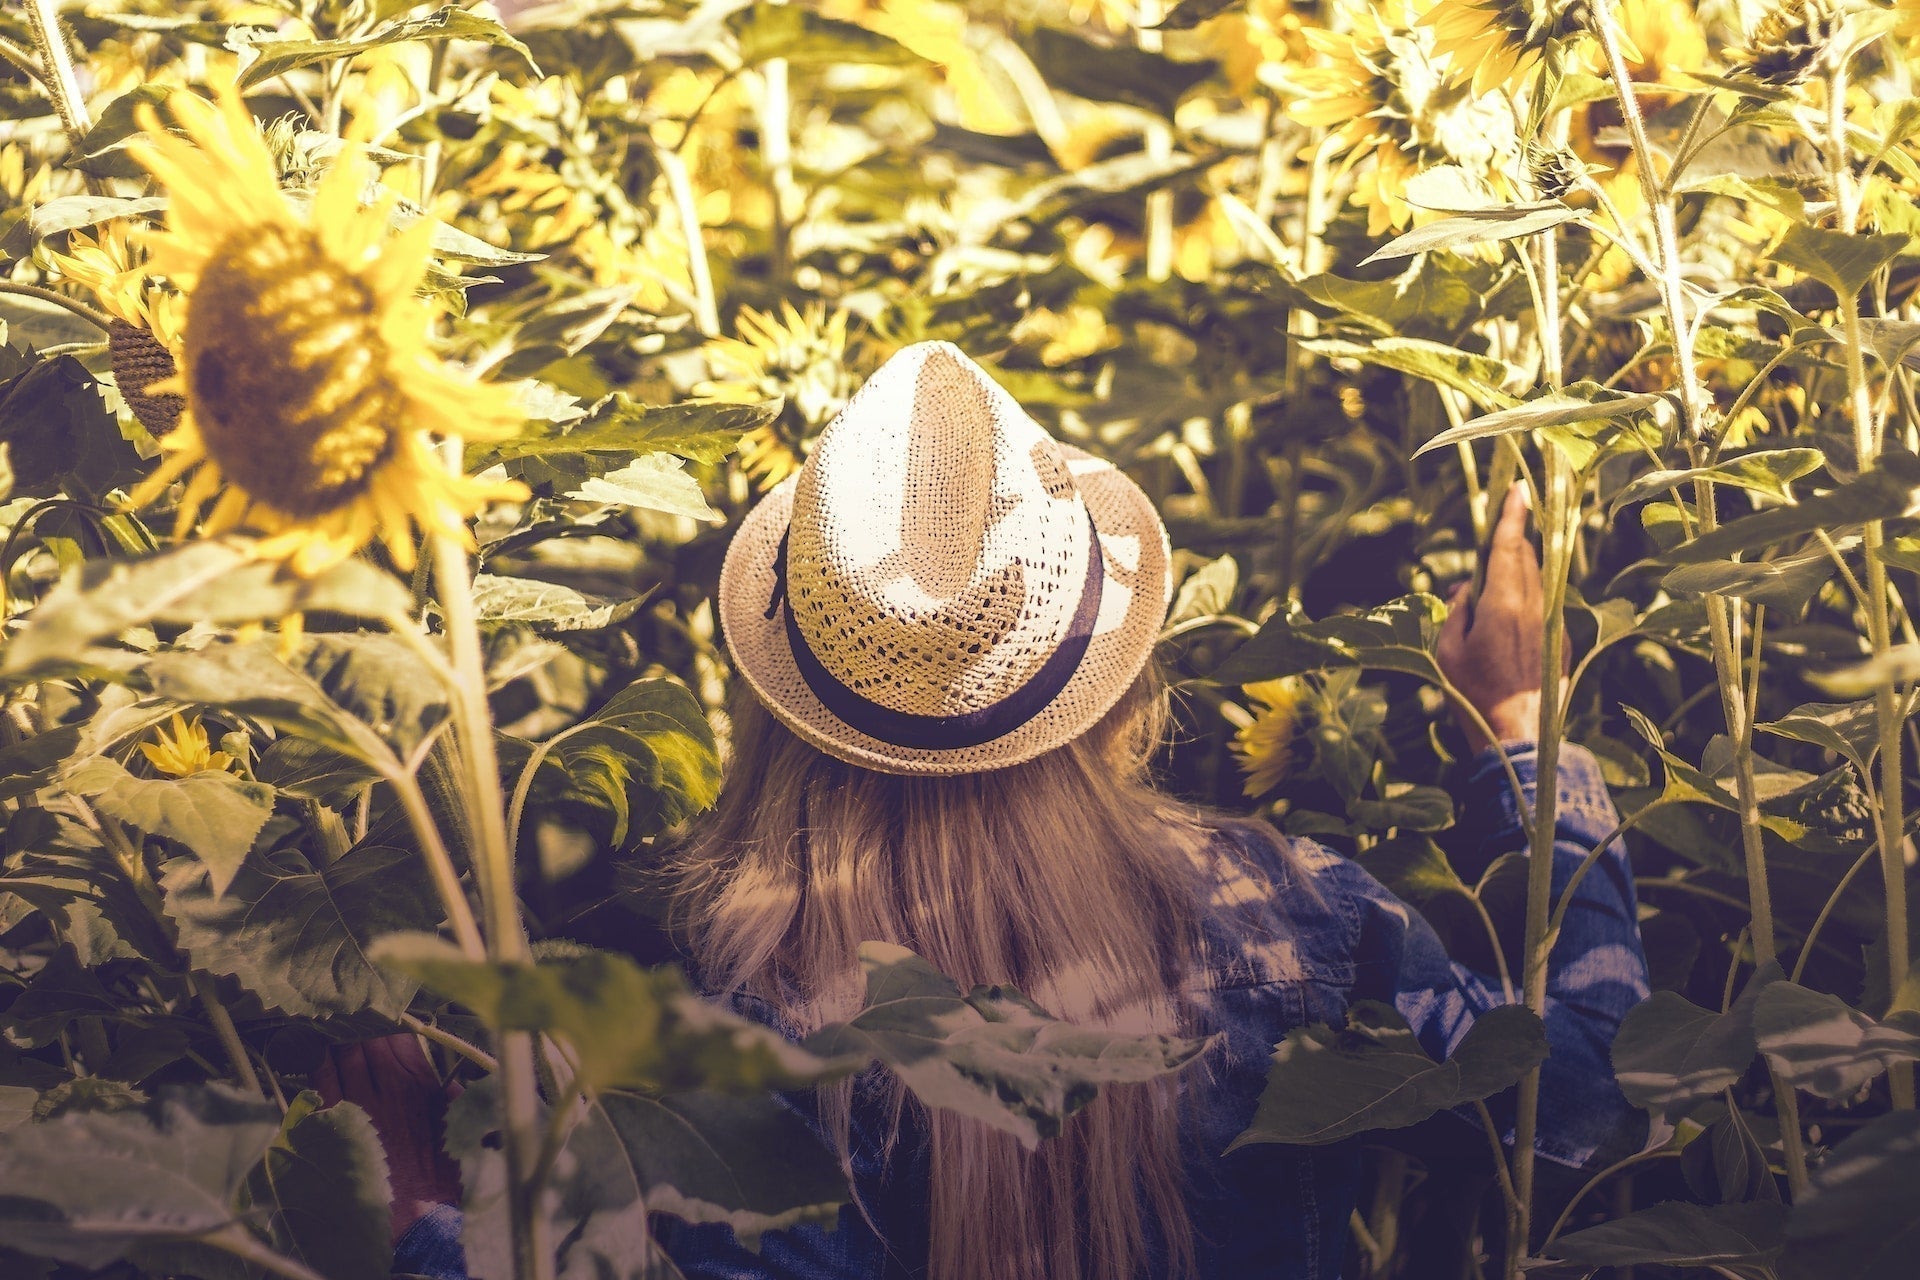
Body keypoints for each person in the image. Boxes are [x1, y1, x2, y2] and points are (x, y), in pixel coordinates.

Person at [350, 341, 1648, 1280]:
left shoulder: (729, 1028)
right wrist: (1520, 739)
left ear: (780, 705)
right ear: (1112, 678)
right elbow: (1590, 1097)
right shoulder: (1295, 921)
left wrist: (416, 1222)